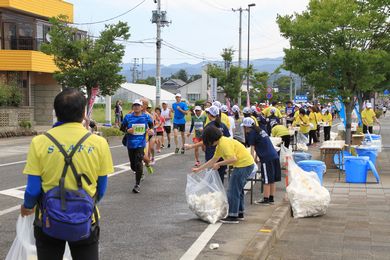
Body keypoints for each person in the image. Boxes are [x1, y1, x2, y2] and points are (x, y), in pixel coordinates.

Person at [21, 88, 114, 260]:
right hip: (85, 219)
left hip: (48, 219)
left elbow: (33, 189)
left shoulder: (40, 142)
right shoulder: (99, 143)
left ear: (56, 113)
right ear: (84, 112)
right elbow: (101, 189)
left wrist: (27, 206)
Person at [192, 125, 255, 224]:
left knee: (233, 190)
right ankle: (239, 213)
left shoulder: (224, 144)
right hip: (245, 164)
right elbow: (213, 160)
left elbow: (233, 159)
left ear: (210, 138)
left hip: (244, 165)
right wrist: (199, 169)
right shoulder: (221, 143)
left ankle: (233, 215)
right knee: (238, 189)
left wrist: (219, 164)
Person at [185, 105, 230, 183]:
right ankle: (219, 194)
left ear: (210, 114)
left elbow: (204, 142)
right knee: (220, 179)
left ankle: (213, 194)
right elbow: (227, 139)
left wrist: (191, 146)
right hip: (223, 155)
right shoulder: (223, 125)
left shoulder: (209, 126)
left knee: (211, 179)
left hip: (211, 155)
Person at [243, 117, 281, 205]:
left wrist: (251, 161)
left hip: (267, 158)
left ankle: (266, 199)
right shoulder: (260, 130)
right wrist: (256, 158)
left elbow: (252, 149)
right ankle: (271, 198)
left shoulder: (252, 133)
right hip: (274, 155)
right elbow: (258, 146)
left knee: (267, 179)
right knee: (272, 179)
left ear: (246, 127)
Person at [121, 99, 154, 193]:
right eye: (134, 105)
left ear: (141, 107)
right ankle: (139, 171)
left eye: (138, 105)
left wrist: (150, 131)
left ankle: (137, 184)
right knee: (133, 165)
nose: (136, 107)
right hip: (130, 143)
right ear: (132, 107)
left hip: (141, 143)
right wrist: (127, 130)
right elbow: (122, 128)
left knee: (139, 161)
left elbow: (151, 127)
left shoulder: (146, 117)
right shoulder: (128, 117)